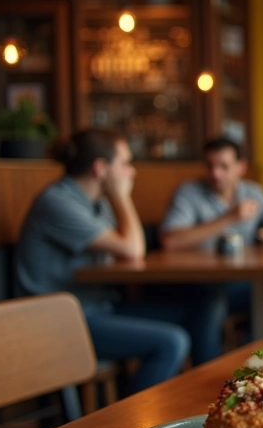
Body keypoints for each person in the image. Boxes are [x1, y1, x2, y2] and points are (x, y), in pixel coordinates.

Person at [15, 130, 224, 392]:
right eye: (125, 163)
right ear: (100, 168)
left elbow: (126, 249)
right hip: (60, 321)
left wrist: (116, 203)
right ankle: (133, 416)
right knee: (171, 342)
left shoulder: (95, 203)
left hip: (99, 307)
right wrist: (122, 197)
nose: (132, 172)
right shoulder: (57, 202)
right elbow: (133, 250)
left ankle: (211, 396)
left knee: (205, 305)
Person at [160, 138, 263, 330]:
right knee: (213, 305)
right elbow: (170, 241)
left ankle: (249, 344)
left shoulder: (252, 192)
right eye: (210, 166)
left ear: (241, 167)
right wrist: (229, 218)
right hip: (198, 282)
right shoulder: (188, 193)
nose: (215, 173)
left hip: (243, 279)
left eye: (224, 166)